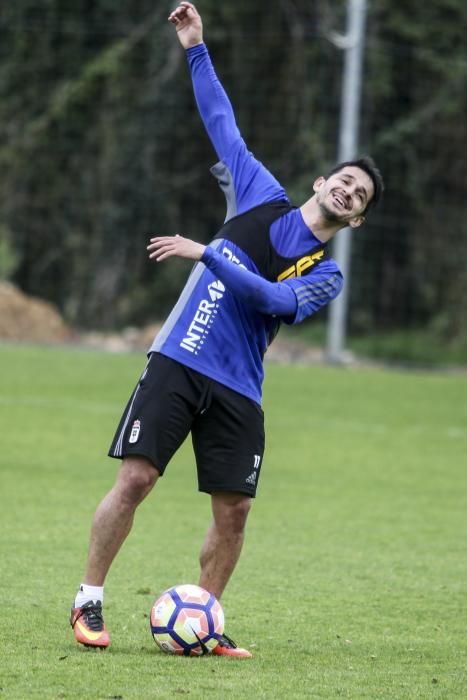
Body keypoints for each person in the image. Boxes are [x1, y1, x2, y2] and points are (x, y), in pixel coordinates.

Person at [70, 1, 383, 657]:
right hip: (180, 358)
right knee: (135, 481)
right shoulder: (261, 192)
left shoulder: (325, 274)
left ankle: (205, 621)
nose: (348, 194)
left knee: (233, 513)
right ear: (322, 182)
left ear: (355, 222)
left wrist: (208, 252)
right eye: (344, 182)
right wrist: (195, 45)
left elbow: (272, 299)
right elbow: (221, 120)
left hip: (239, 386)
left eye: (358, 199)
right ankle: (89, 602)